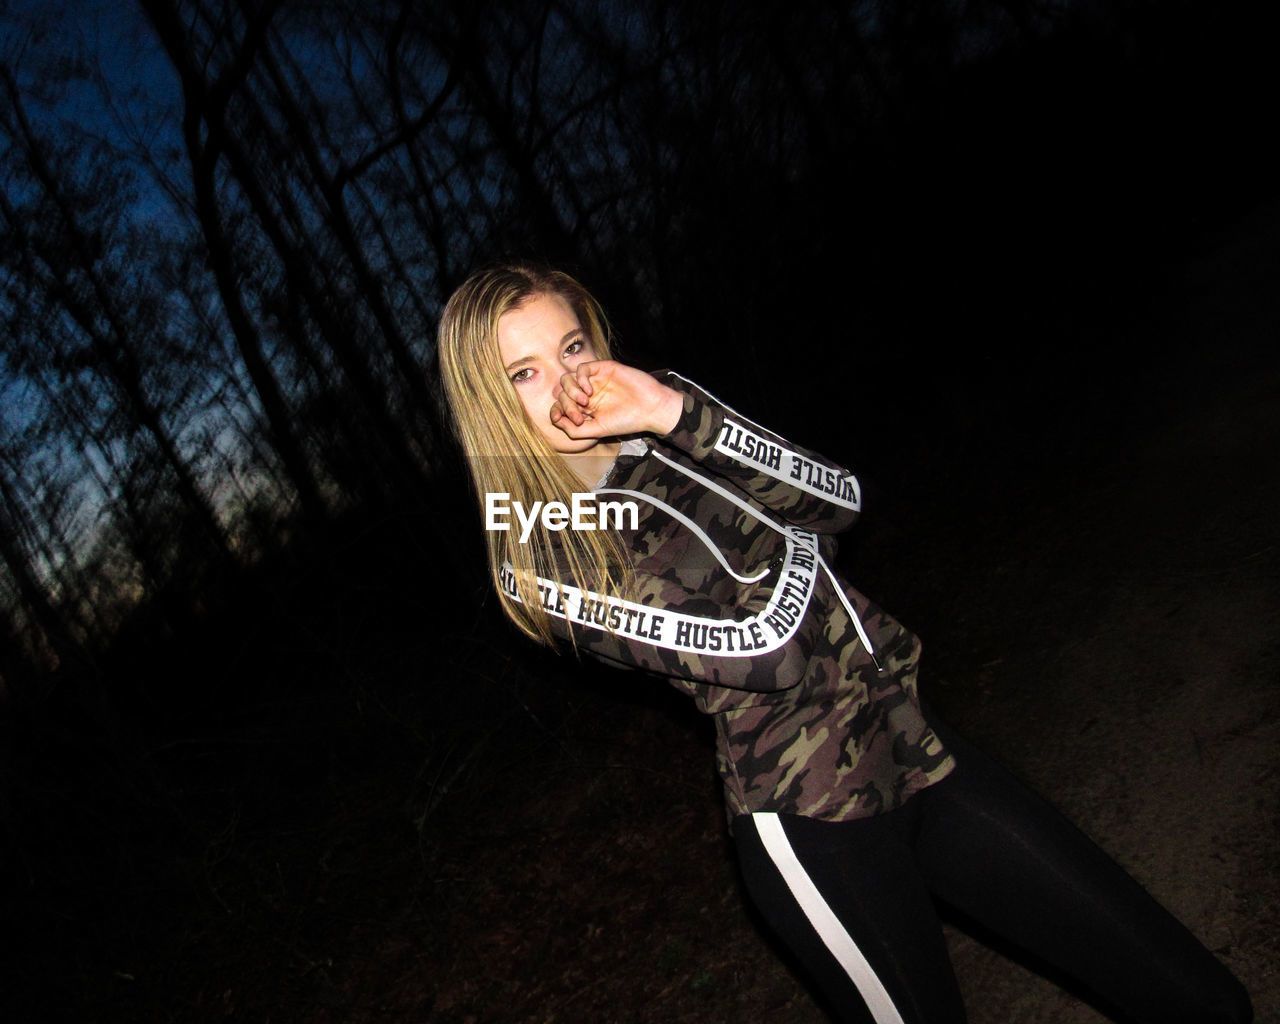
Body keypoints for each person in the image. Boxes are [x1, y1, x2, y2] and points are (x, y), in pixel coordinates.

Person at [436, 263, 1252, 1024]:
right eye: (525, 373)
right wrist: (797, 543)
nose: (570, 382)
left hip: (904, 738)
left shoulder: (668, 414)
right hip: (814, 822)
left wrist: (674, 415)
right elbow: (763, 652)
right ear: (489, 402)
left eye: (572, 345)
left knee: (1191, 990)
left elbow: (840, 501)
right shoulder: (541, 552)